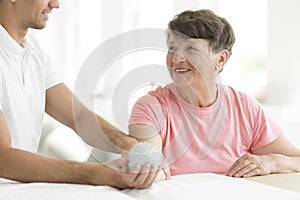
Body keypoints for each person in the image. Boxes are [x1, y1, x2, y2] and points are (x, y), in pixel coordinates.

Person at [0, 0, 159, 189]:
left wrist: (130, 145)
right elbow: (3, 158)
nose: (55, 4)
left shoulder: (35, 53)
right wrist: (98, 173)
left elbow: (80, 118)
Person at [128, 9, 300, 179]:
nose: (176, 58)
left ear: (221, 59)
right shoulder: (151, 106)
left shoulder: (244, 107)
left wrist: (271, 162)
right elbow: (146, 164)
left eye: (191, 49)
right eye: (173, 48)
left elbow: (296, 160)